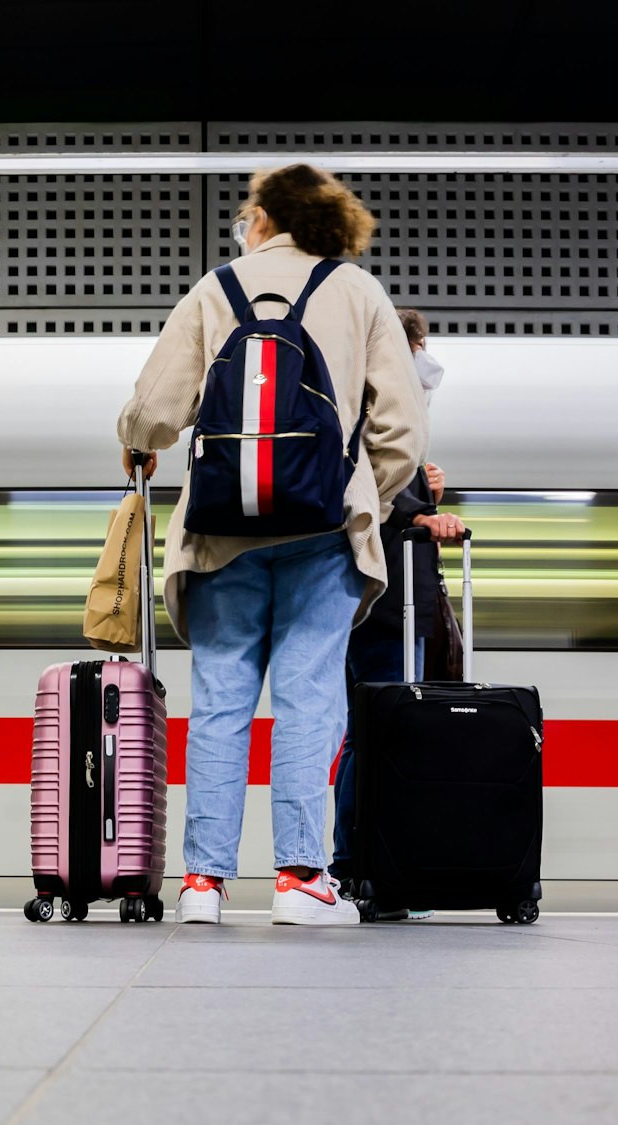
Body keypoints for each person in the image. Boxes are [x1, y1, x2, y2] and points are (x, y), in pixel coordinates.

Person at [116, 164, 426, 926]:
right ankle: (299, 881)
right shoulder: (358, 292)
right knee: (308, 698)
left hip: (221, 532)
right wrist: (360, 499)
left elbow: (152, 412)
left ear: (263, 217)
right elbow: (403, 434)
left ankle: (202, 887)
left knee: (220, 700)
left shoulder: (213, 288)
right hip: (325, 535)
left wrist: (139, 444)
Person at [329, 309, 465, 915]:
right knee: (380, 737)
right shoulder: (376, 415)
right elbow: (371, 504)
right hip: (388, 608)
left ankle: (361, 866)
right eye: (419, 351)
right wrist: (420, 514)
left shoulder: (357, 411)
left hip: (373, 602)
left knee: (367, 736)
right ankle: (363, 869)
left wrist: (426, 496)